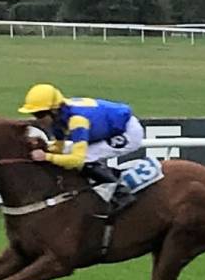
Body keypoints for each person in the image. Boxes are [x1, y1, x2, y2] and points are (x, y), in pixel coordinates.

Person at [18, 83, 146, 213]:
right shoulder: (60, 116)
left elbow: (77, 160)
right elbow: (60, 147)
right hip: (109, 128)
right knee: (72, 154)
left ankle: (121, 193)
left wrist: (46, 156)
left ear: (54, 111)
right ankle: (108, 177)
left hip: (127, 132)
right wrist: (45, 149)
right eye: (34, 115)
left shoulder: (76, 120)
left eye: (40, 114)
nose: (37, 120)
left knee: (86, 157)